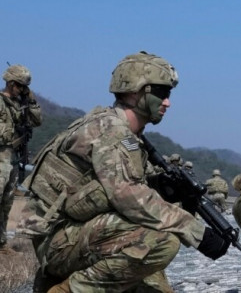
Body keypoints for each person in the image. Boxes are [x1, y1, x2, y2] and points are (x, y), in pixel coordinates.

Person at [18, 51, 229, 292]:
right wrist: (196, 231)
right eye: (161, 93)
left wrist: (163, 188)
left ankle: (57, 282)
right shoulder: (111, 131)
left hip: (76, 234)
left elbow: (122, 186)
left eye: (168, 94)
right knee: (161, 241)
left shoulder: (128, 136)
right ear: (134, 91)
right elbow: (128, 197)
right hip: (57, 243)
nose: (167, 102)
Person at [0, 64, 42, 254]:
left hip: (12, 158)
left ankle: (0, 242)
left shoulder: (21, 104)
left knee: (6, 203)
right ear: (11, 83)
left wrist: (31, 100)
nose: (22, 90)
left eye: (25, 87)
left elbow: (37, 121)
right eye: (20, 86)